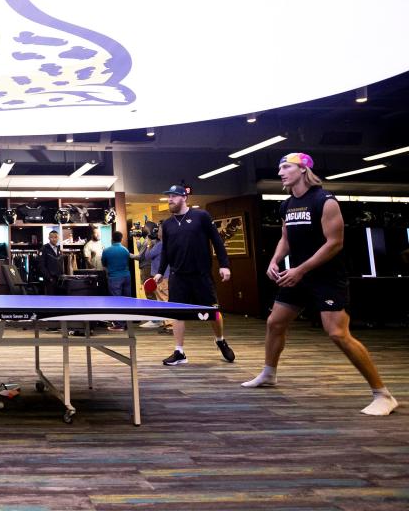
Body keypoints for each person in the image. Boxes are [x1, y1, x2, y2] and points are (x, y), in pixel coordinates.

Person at [242, 153, 398, 416]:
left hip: (325, 277)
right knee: (274, 323)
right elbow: (285, 238)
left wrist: (301, 269)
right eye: (280, 167)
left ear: (303, 170)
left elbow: (334, 243)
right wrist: (275, 260)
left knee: (337, 333)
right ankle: (269, 374)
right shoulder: (287, 205)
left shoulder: (325, 201)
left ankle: (383, 394)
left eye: (286, 167)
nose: (280, 172)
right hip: (297, 276)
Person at [153, 185, 235, 366]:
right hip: (178, 276)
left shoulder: (201, 216)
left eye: (174, 196)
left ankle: (220, 340)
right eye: (168, 197)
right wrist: (160, 272)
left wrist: (224, 265)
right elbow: (166, 251)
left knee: (214, 312)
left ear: (184, 197)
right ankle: (179, 351)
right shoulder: (167, 225)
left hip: (201, 274)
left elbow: (217, 240)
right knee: (176, 314)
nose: (170, 200)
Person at [101, 231, 133, 331]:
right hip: (127, 277)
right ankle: (127, 323)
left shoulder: (106, 251)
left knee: (116, 301)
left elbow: (104, 263)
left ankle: (120, 325)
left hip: (114, 278)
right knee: (126, 301)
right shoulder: (125, 250)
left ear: (112, 239)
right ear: (121, 239)